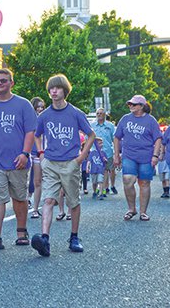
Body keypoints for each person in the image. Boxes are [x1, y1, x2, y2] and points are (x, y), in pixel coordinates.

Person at [31, 74, 95, 257]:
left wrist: (81, 157)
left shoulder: (75, 113)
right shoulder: (45, 115)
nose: (53, 91)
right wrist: (41, 153)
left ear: (65, 91)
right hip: (50, 162)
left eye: (57, 88)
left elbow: (90, 135)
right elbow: (37, 135)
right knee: (49, 199)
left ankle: (74, 237)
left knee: (73, 202)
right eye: (51, 88)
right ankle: (44, 239)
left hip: (70, 163)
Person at [0, 68, 37, 250]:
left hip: (18, 160)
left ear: (12, 83)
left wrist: (25, 153)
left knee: (19, 197)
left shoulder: (23, 104)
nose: (0, 83)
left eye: (4, 80)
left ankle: (21, 231)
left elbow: (30, 131)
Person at [113, 95, 162, 222]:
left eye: (133, 104)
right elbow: (117, 137)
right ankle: (131, 209)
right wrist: (116, 155)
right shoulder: (125, 119)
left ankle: (143, 212)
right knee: (128, 180)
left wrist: (155, 156)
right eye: (129, 104)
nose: (131, 106)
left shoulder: (151, 121)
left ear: (141, 106)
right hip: (129, 155)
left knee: (144, 183)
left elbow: (158, 139)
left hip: (146, 156)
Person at [91, 107, 117, 194]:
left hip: (107, 152)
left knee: (108, 170)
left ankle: (108, 186)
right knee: (97, 172)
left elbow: (114, 139)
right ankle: (102, 188)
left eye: (101, 113)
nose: (99, 115)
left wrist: (116, 153)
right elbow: (88, 139)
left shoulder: (110, 126)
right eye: (97, 113)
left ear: (105, 115)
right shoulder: (92, 126)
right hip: (95, 153)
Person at [29, 97, 45, 219]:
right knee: (36, 181)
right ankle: (33, 208)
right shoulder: (31, 119)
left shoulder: (46, 118)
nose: (40, 109)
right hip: (34, 153)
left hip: (47, 152)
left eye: (42, 107)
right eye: (38, 106)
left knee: (45, 181)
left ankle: (37, 207)